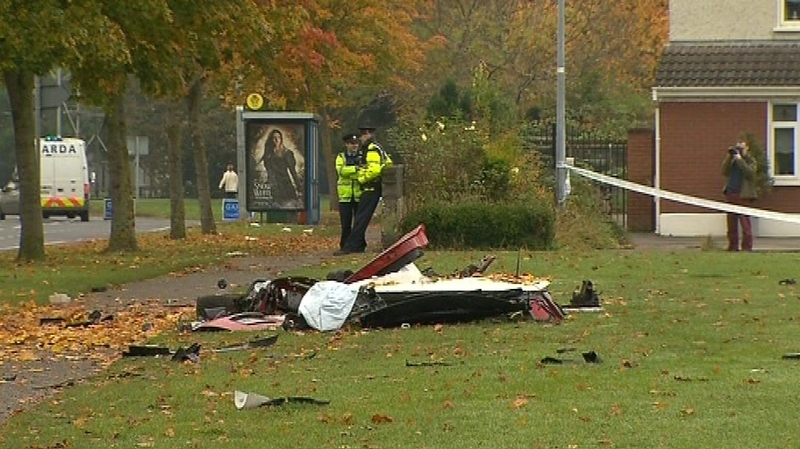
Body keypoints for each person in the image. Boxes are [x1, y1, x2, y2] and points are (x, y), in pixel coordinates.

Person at [335, 123, 393, 255]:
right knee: (358, 219)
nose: (360, 140)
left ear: (367, 134)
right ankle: (354, 244)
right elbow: (387, 163)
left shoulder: (372, 149)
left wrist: (362, 178)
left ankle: (351, 246)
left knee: (360, 219)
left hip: (369, 188)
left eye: (361, 136)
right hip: (354, 193)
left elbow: (373, 169)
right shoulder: (378, 148)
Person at [722, 139, 757, 251]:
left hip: (743, 195)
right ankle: (732, 247)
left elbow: (750, 173)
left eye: (742, 148)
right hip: (731, 193)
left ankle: (747, 247)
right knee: (731, 224)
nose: (740, 150)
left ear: (747, 148)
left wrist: (740, 159)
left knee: (745, 223)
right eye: (738, 147)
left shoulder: (751, 160)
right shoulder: (732, 160)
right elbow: (724, 171)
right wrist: (730, 156)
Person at [335, 133, 362, 250]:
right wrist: (355, 169)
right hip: (345, 196)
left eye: (356, 143)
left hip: (358, 195)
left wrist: (349, 171)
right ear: (346, 144)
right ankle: (345, 245)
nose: (354, 146)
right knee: (346, 223)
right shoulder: (341, 157)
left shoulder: (362, 156)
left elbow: (364, 171)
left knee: (359, 223)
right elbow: (341, 171)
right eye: (352, 144)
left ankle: (359, 245)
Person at [262, 129, 303, 207]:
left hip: (285, 185)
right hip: (274, 187)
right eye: (274, 138)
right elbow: (268, 169)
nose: (277, 140)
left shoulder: (287, 153)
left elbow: (292, 171)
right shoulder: (269, 154)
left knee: (289, 206)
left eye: (278, 137)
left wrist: (299, 187)